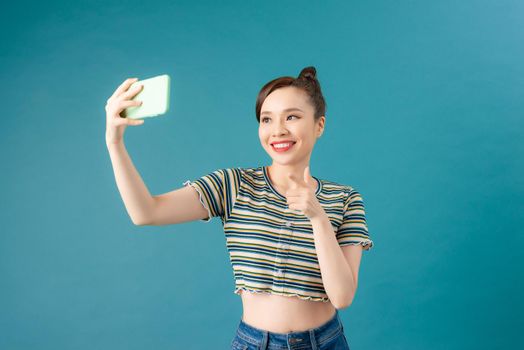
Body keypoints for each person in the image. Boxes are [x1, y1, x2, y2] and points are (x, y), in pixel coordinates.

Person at [105, 66, 374, 350]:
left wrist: (317, 217)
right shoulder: (233, 185)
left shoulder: (344, 198)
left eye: (292, 117)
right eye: (266, 120)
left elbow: (343, 297)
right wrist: (115, 142)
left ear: (319, 125)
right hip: (254, 343)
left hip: (325, 343)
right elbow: (146, 212)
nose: (278, 130)